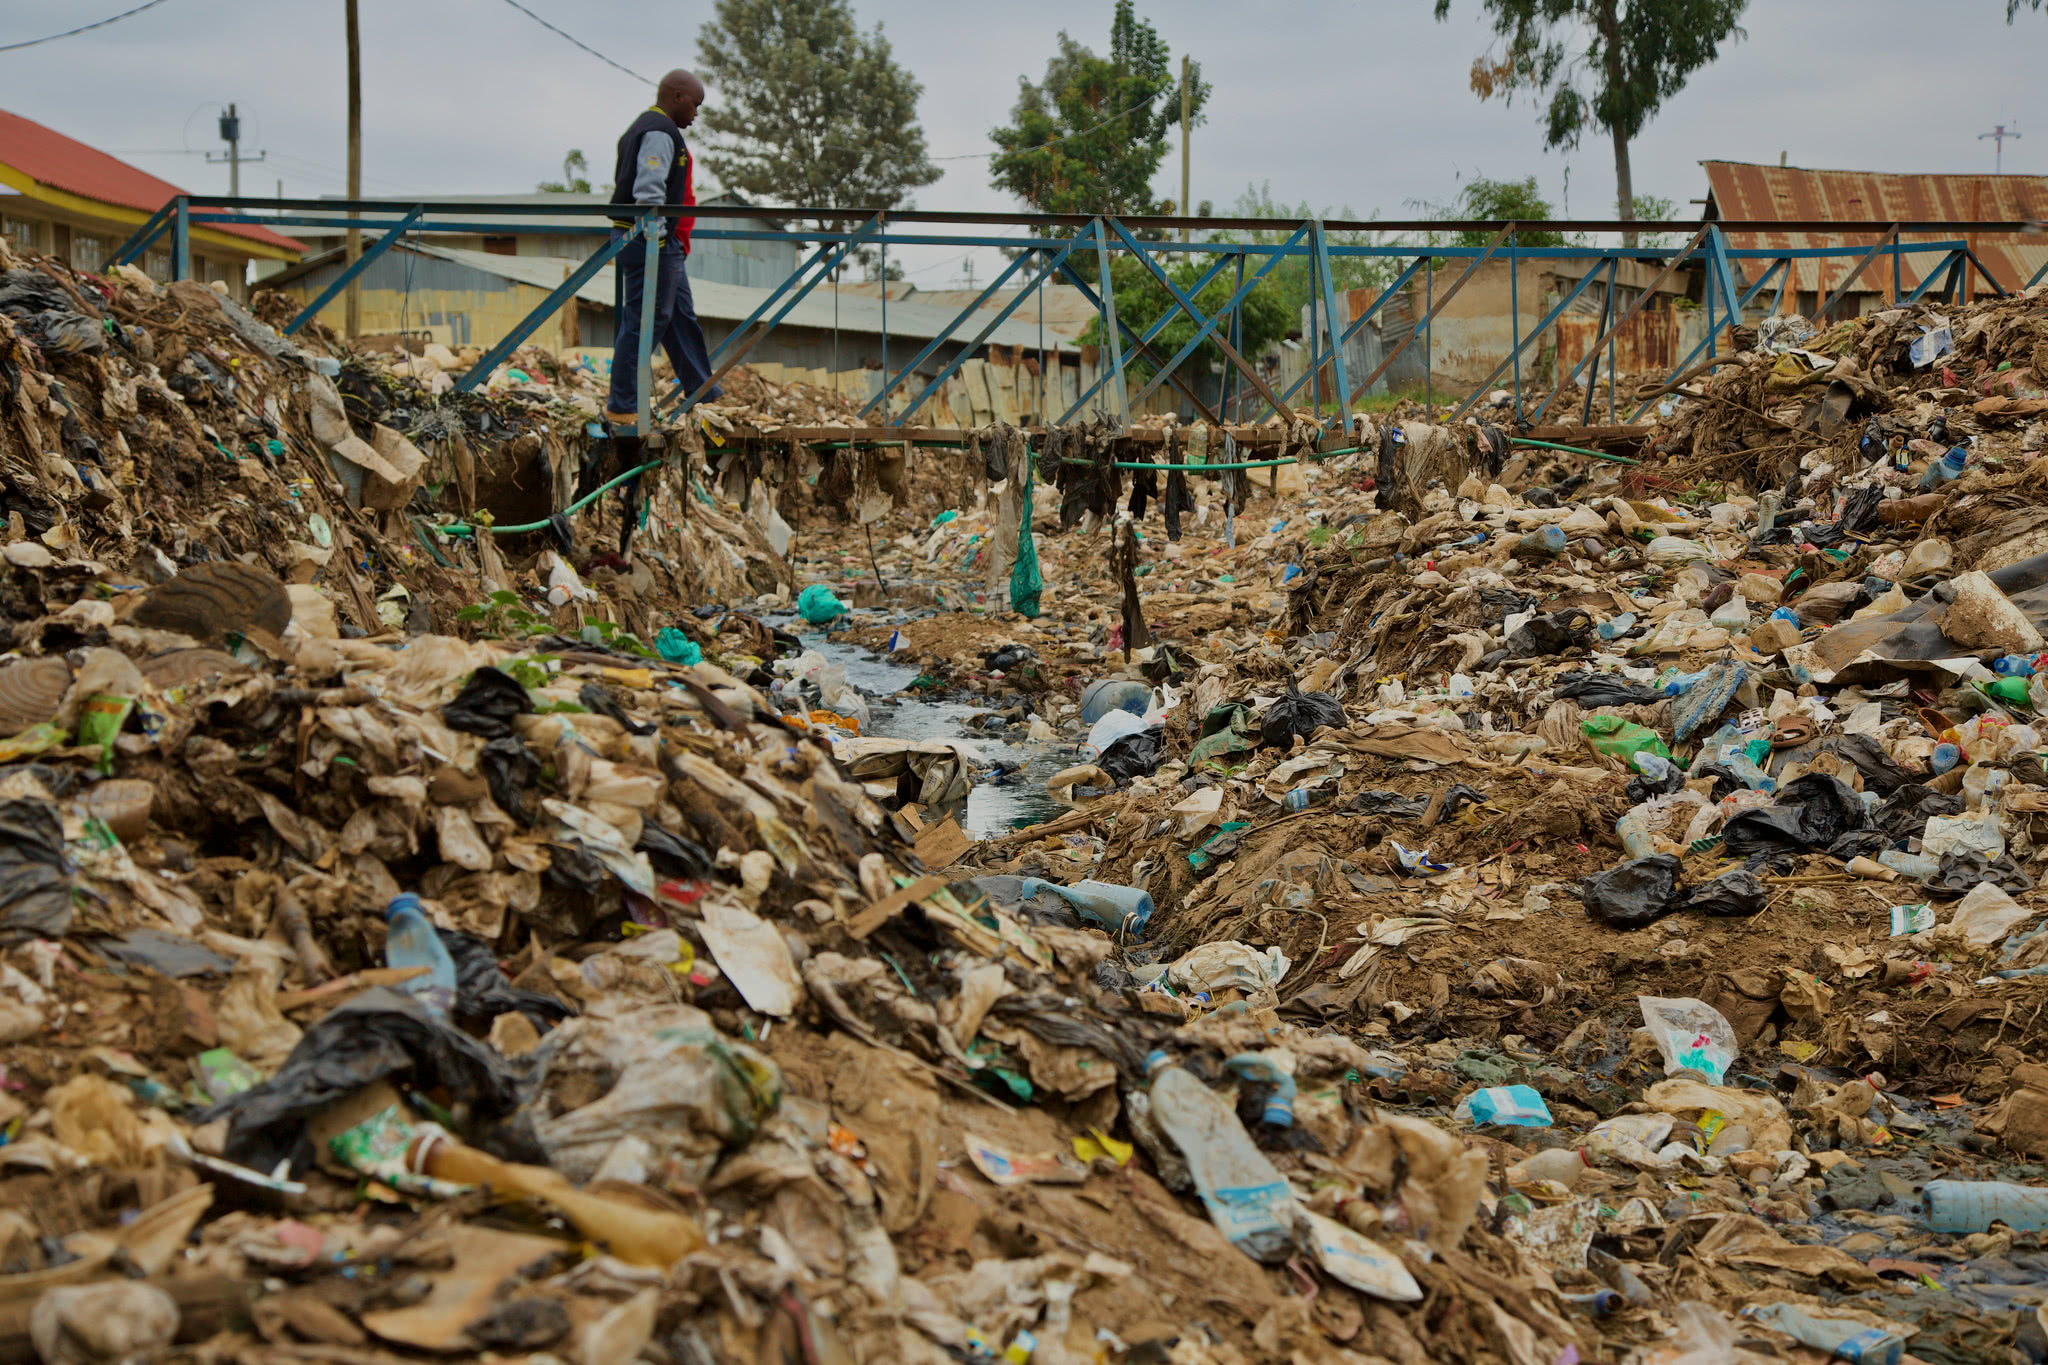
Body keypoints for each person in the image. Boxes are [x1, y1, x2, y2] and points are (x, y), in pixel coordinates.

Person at [606, 69, 721, 426]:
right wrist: (656, 241)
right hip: (648, 239)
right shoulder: (658, 131)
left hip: (659, 240)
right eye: (695, 104)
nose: (696, 114)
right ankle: (623, 405)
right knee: (645, 320)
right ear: (677, 96)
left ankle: (703, 391)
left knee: (679, 317)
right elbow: (649, 191)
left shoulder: (652, 129)